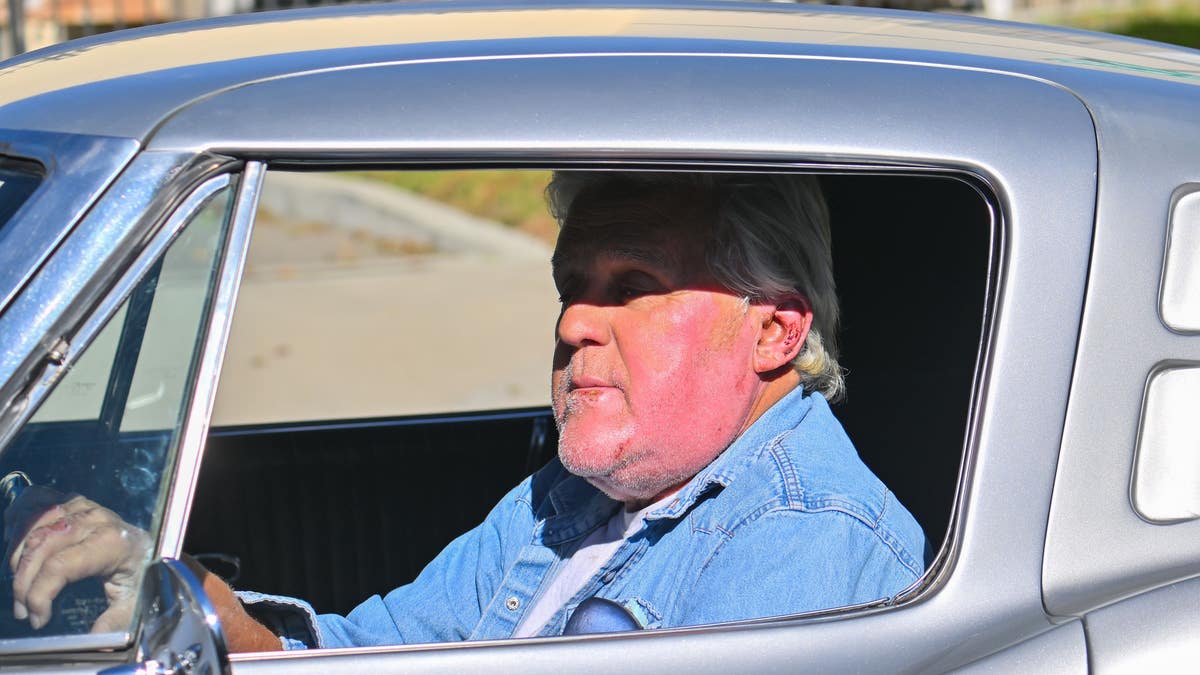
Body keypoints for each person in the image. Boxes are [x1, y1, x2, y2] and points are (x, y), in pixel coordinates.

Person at [8, 171, 925, 650]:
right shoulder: (575, 497)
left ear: (773, 330)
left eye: (631, 287)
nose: (573, 321)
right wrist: (170, 596)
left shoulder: (805, 538)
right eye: (572, 287)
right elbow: (372, 653)